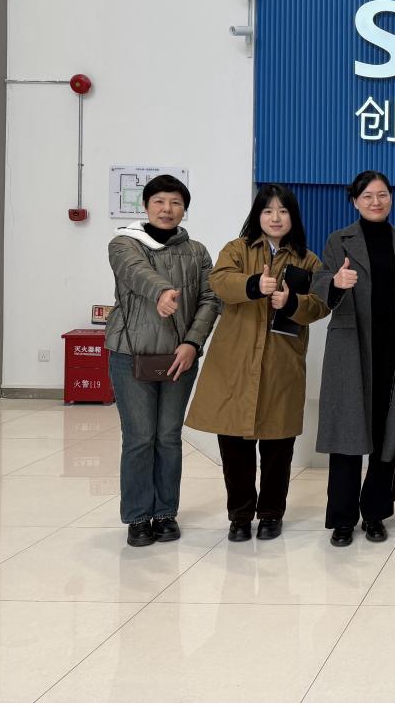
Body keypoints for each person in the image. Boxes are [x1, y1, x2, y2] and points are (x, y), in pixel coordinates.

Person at [184, 185, 330, 542]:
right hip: (235, 362)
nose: (275, 218)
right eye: (268, 211)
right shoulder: (237, 249)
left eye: (283, 211)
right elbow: (219, 282)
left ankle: (270, 514)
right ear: (258, 216)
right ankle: (239, 516)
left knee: (278, 447)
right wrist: (254, 285)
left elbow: (321, 304)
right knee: (235, 445)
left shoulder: (308, 260)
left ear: (293, 217)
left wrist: (291, 302)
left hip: (281, 365)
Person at [312, 171, 395, 547]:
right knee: (346, 437)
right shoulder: (339, 240)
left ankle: (375, 513)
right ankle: (343, 519)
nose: (376, 202)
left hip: (394, 352)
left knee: (386, 436)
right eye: (367, 196)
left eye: (382, 195)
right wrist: (335, 283)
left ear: (391, 198)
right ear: (355, 202)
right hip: (351, 350)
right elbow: (320, 281)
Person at [105, 175, 220, 547]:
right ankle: (138, 517)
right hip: (130, 355)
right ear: (145, 206)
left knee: (168, 438)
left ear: (184, 209)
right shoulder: (124, 243)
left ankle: (166, 513)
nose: (167, 209)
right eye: (159, 201)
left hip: (179, 357)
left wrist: (192, 343)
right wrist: (162, 292)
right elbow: (135, 272)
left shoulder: (198, 252)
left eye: (175, 202)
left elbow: (210, 300)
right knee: (140, 438)